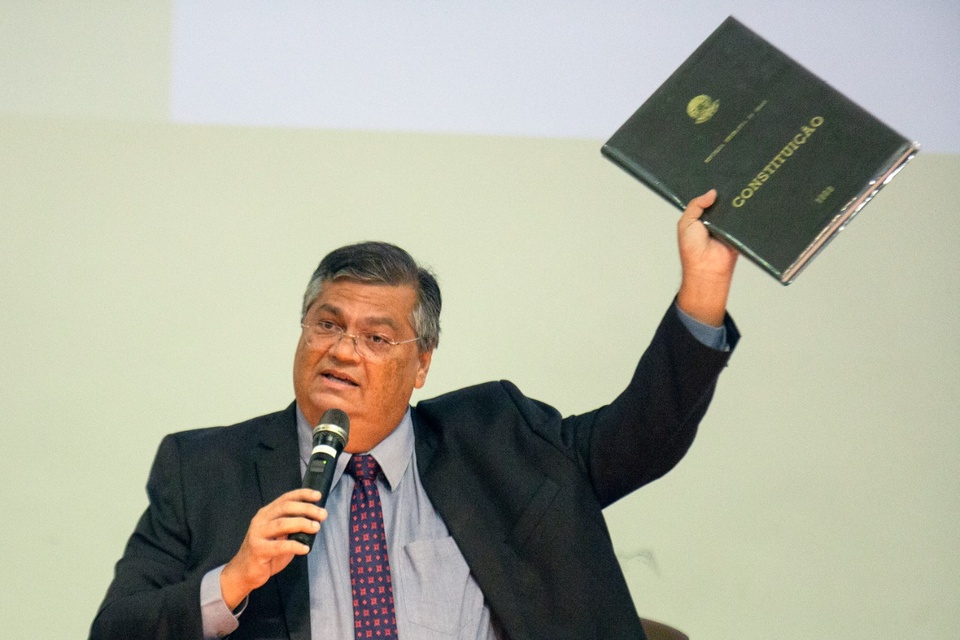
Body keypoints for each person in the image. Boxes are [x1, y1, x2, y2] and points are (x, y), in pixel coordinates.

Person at [90, 190, 739, 640]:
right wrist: (232, 581)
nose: (343, 350)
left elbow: (643, 436)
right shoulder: (204, 470)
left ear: (422, 363)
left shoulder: (501, 438)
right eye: (327, 324)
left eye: (376, 337)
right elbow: (115, 630)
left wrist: (703, 291)